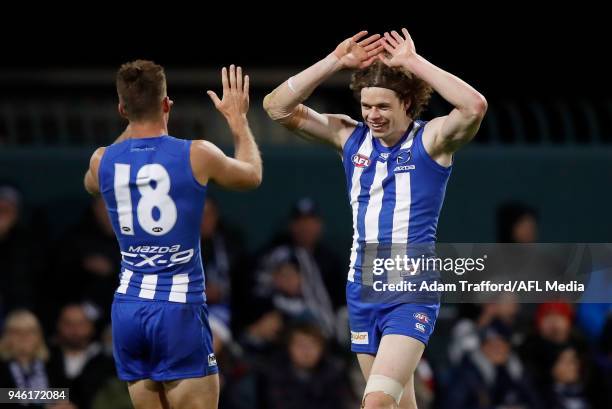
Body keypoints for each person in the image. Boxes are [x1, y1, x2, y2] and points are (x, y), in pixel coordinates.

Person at [264, 28, 487, 409]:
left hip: (410, 291)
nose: (372, 115)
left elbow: (474, 107)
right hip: (362, 289)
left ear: (407, 102)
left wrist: (414, 63)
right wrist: (334, 61)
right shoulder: (349, 136)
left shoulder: (430, 141)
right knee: (399, 405)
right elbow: (276, 107)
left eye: (383, 106)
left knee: (377, 402)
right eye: (367, 106)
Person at [83, 60, 262, 409]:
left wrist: (132, 124)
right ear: (167, 104)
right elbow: (252, 175)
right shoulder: (197, 153)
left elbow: (91, 185)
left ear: (121, 108)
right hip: (178, 309)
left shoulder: (101, 160)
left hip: (128, 310)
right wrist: (238, 121)